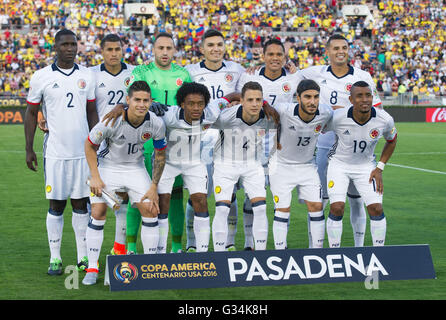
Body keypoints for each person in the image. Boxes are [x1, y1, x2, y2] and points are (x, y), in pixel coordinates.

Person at [105, 32, 192, 254]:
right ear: (153, 50)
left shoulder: (183, 74)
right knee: (140, 194)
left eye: (169, 48)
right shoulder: (141, 71)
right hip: (145, 142)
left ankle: (176, 248)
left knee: (175, 196)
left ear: (174, 50)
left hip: (176, 143)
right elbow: (134, 99)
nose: (164, 52)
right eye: (160, 48)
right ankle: (132, 247)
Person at [24, 29, 98, 275]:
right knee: (56, 205)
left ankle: (82, 258)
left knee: (81, 205)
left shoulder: (87, 76)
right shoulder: (41, 76)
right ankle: (55, 258)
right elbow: (32, 113)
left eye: (73, 44)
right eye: (64, 44)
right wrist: (29, 148)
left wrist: (98, 140)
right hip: (55, 153)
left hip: (82, 153)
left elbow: (91, 112)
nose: (70, 48)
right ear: (55, 47)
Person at [297, 34, 382, 248]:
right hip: (324, 146)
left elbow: (377, 108)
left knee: (356, 200)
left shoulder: (362, 76)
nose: (340, 51)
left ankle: (358, 248)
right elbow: (286, 78)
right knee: (321, 200)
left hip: (355, 150)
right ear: (328, 51)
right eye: (335, 48)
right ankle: (314, 247)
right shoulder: (314, 73)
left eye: (344, 47)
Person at [82, 80, 167, 285]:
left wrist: (154, 186)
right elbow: (89, 145)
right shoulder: (111, 120)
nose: (141, 104)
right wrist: (95, 175)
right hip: (108, 167)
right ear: (127, 100)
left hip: (135, 168)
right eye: (136, 99)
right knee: (98, 212)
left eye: (145, 100)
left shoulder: (155, 122)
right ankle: (92, 267)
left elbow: (160, 155)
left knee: (150, 209)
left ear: (150, 101)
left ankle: (149, 268)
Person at [184, 29, 246, 252]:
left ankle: (229, 242)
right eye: (210, 45)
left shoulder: (236, 70)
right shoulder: (190, 72)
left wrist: (236, 101)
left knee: (228, 192)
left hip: (229, 138)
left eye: (219, 44)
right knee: (197, 193)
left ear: (225, 47)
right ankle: (192, 243)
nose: (215, 49)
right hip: (199, 137)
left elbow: (246, 95)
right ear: (202, 49)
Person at [324, 81, 397, 248]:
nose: (365, 99)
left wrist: (380, 167)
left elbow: (392, 140)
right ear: (351, 99)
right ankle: (334, 252)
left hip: (366, 167)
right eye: (359, 96)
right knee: (337, 207)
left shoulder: (384, 119)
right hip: (339, 165)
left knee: (377, 209)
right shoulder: (337, 117)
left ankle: (379, 253)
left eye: (368, 95)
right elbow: (317, 127)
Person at [211, 81, 278, 251]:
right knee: (222, 210)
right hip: (225, 164)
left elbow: (278, 127)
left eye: (258, 100)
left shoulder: (268, 117)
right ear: (241, 100)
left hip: (252, 164)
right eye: (250, 100)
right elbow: (206, 124)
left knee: (261, 208)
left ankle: (259, 252)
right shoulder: (226, 117)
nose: (254, 104)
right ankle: (219, 254)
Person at [269, 80, 332, 249]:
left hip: (307, 166)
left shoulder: (325, 112)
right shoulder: (283, 110)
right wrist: (273, 139)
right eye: (307, 97)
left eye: (316, 97)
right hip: (281, 166)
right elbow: (265, 112)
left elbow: (340, 115)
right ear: (298, 98)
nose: (312, 101)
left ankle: (317, 251)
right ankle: (280, 252)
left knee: (317, 207)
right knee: (282, 209)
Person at [89, 33, 135, 256]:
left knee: (122, 200)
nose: (114, 53)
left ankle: (119, 251)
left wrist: (123, 108)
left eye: (117, 49)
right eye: (109, 49)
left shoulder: (134, 73)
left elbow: (144, 100)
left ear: (122, 50)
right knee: (97, 206)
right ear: (102, 52)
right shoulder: (92, 75)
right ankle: (90, 261)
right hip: (98, 143)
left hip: (125, 144)